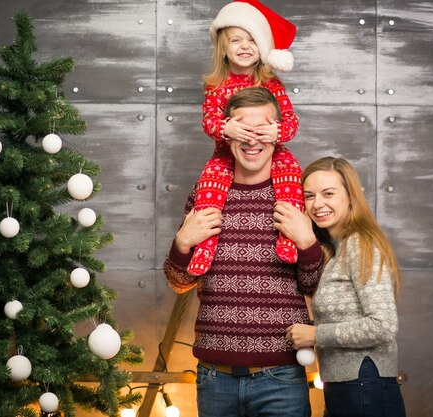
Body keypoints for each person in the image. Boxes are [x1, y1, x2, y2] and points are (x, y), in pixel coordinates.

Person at [163, 87, 323, 417]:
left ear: (278, 132)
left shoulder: (297, 196)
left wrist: (308, 244)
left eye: (261, 128)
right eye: (242, 128)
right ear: (226, 132)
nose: (252, 139)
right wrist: (182, 243)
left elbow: (315, 287)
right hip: (213, 377)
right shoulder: (205, 193)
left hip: (280, 377)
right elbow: (180, 282)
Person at [281, 157, 407, 417]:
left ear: (350, 196)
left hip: (365, 385)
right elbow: (348, 317)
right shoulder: (334, 249)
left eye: (328, 193)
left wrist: (315, 335)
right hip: (346, 386)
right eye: (309, 196)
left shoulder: (360, 243)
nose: (317, 204)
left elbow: (383, 325)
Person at [188, 0, 304, 276]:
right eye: (236, 41)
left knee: (291, 180)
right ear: (224, 50)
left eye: (252, 40)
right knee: (208, 191)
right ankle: (205, 246)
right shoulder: (216, 86)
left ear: (262, 47)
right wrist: (224, 129)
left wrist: (278, 132)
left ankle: (288, 239)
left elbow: (291, 121)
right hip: (228, 155)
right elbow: (209, 120)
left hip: (271, 153)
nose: (244, 46)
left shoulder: (271, 84)